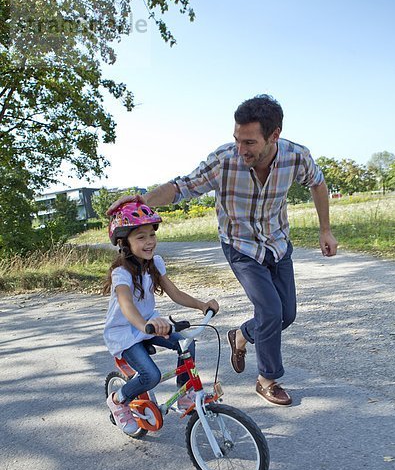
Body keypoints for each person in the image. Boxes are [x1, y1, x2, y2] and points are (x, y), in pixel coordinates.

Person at [108, 94, 337, 407]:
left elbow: (318, 183)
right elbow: (180, 187)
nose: (241, 149)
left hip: (277, 243)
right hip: (240, 246)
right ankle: (268, 379)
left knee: (286, 314)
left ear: (274, 135)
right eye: (237, 139)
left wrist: (325, 229)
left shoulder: (296, 157)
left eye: (249, 142)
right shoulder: (224, 161)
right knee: (270, 311)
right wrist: (139, 202)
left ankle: (241, 335)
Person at [103, 201, 219, 435]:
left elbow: (174, 293)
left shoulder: (154, 263)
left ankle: (186, 395)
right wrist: (145, 326)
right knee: (151, 375)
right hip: (126, 332)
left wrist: (201, 305)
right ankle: (117, 400)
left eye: (151, 235)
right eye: (140, 237)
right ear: (124, 243)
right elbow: (126, 305)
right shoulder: (121, 273)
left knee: (186, 343)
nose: (149, 242)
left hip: (149, 324)